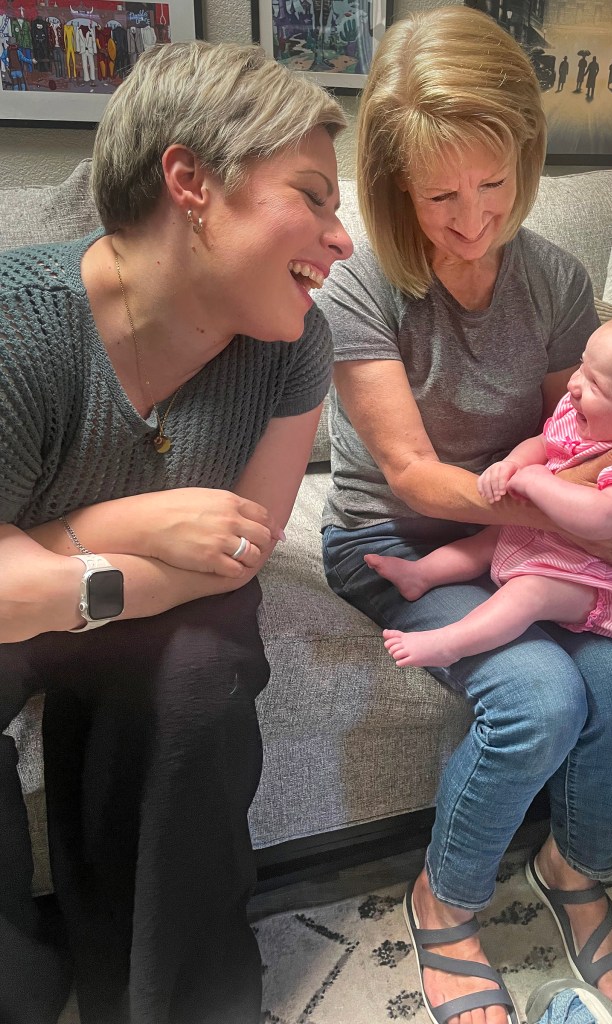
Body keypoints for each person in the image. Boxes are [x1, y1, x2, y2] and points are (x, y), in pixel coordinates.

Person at [316, 8, 612, 1024]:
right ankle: (444, 897)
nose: (474, 219)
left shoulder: (555, 277)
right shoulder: (360, 289)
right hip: (394, 534)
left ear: (526, 154)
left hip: (526, 534)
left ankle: (572, 869)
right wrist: (579, 522)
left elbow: (591, 434)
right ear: (394, 183)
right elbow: (411, 473)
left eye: (494, 184)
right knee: (538, 698)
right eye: (440, 196)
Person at [0, 40, 352, 1024]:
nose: (341, 239)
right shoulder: (19, 327)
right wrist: (121, 525)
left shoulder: (294, 347)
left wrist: (52, 552)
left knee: (200, 682)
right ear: (190, 181)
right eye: (313, 196)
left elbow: (239, 552)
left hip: (155, 600)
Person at [368, 306, 612, 668]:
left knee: (530, 592)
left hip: (596, 581)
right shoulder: (593, 412)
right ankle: (420, 575)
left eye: (596, 384)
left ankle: (451, 644)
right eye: (582, 366)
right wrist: (514, 464)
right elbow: (546, 442)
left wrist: (536, 480)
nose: (574, 384)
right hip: (552, 540)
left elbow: (602, 519)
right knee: (489, 539)